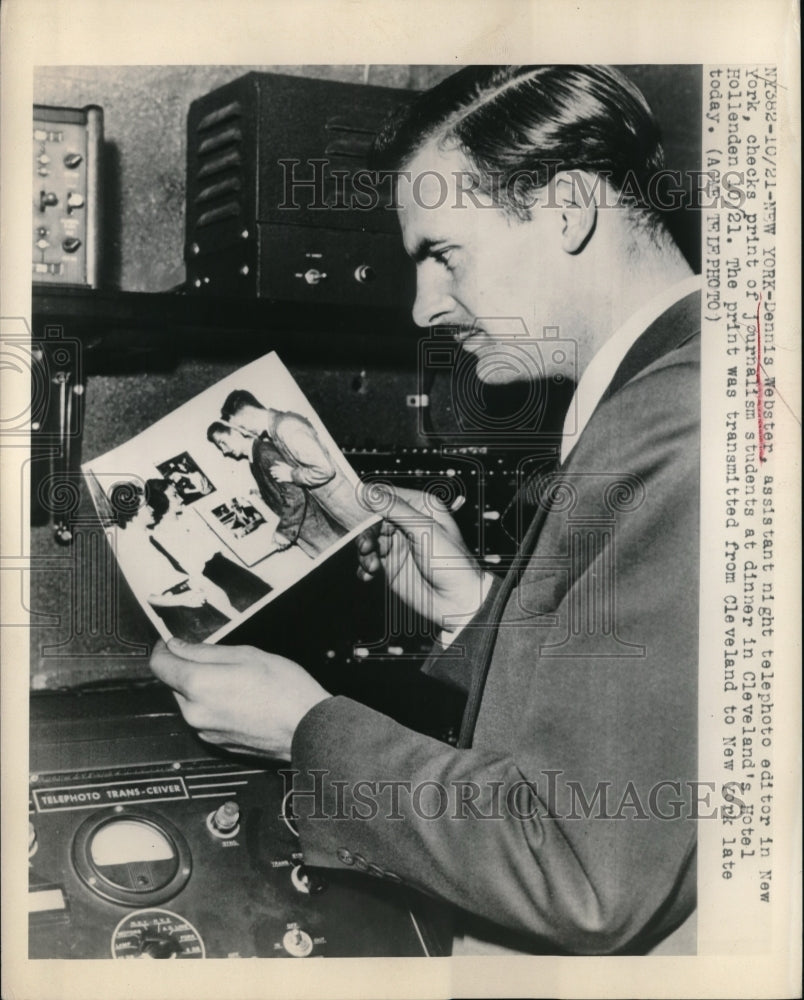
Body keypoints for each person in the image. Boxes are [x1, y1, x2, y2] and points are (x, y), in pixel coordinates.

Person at [151, 65, 701, 955]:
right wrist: (477, 612)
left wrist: (306, 732)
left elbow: (579, 873)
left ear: (567, 209)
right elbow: (647, 718)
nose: (423, 308)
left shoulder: (674, 418)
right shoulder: (687, 387)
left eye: (443, 254)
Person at [221, 390, 369, 533]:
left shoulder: (286, 427)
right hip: (341, 502)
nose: (244, 432)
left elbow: (325, 470)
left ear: (248, 414)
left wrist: (292, 475)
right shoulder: (279, 425)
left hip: (348, 504)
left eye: (242, 427)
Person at [207, 419, 346, 558]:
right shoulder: (254, 458)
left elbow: (296, 496)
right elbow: (282, 489)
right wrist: (262, 496)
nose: (224, 451)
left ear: (236, 432)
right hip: (306, 527)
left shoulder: (264, 453)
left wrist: (284, 533)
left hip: (315, 527)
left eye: (222, 443)